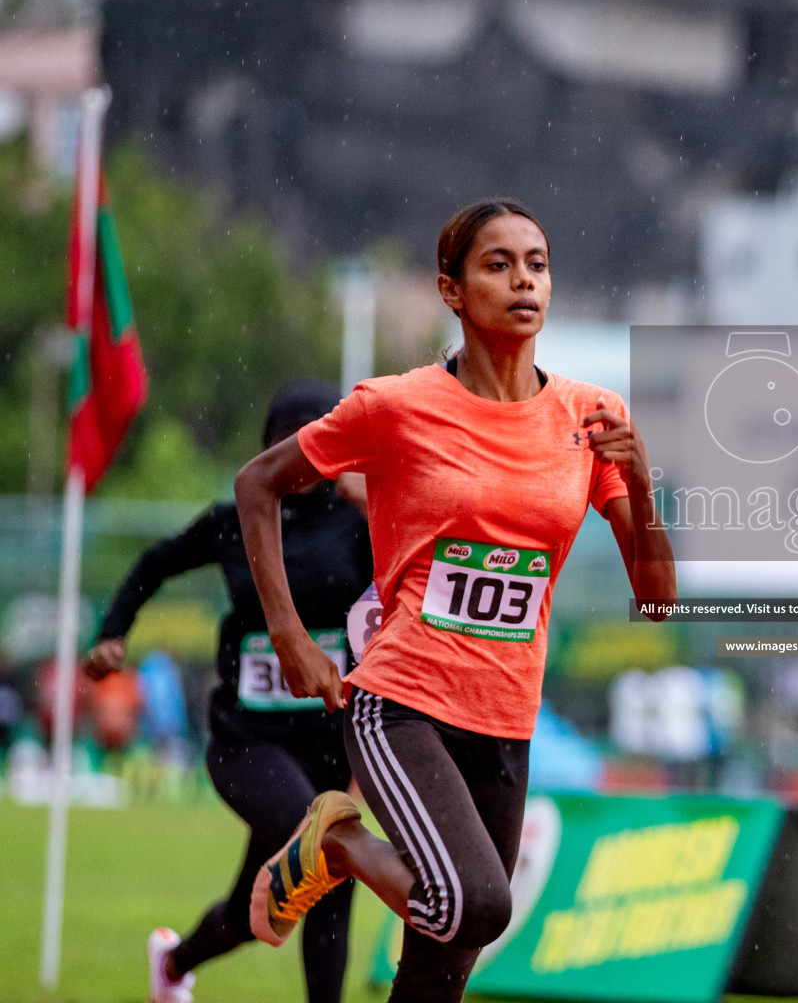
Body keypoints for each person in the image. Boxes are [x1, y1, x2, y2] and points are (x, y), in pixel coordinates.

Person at [234, 198, 675, 1003]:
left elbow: (657, 600)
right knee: (474, 903)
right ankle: (334, 843)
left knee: (439, 970)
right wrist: (290, 632)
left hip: (506, 719)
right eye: (497, 265)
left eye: (536, 264)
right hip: (401, 704)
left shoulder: (591, 417)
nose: (522, 281)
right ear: (452, 290)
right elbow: (257, 483)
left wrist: (641, 482)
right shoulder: (397, 406)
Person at [83, 379, 370, 1003]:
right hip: (247, 742)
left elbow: (428, 563)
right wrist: (113, 633)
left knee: (254, 911)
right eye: (286, 445)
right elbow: (156, 560)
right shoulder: (236, 519)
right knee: (330, 854)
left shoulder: (357, 518)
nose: (301, 458)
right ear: (269, 450)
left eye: (315, 444)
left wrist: (375, 503)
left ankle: (174, 962)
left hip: (328, 745)